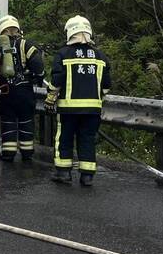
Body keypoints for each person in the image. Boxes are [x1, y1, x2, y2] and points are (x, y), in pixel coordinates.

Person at [44, 15, 112, 186]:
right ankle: (87, 176)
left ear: (70, 32)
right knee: (87, 140)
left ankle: (63, 173)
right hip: (92, 110)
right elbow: (106, 86)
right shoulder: (100, 57)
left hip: (68, 109)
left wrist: (50, 99)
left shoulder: (63, 54)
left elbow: (57, 81)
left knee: (65, 139)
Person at [0, 15, 45, 162]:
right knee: (26, 120)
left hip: (6, 91)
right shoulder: (26, 44)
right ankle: (27, 153)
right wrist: (39, 77)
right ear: (17, 28)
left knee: (8, 121)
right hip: (24, 91)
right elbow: (38, 64)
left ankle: (8, 153)